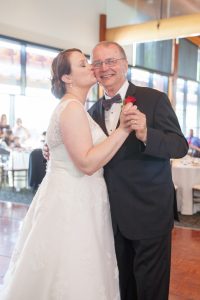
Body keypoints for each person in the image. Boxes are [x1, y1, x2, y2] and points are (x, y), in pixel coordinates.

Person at [43, 42, 188, 300]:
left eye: (111, 61)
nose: (104, 68)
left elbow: (179, 146)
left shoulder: (154, 99)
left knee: (151, 290)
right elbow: (81, 149)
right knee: (120, 288)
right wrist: (55, 148)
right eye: (97, 63)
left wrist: (146, 134)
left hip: (149, 214)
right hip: (108, 218)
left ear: (124, 64)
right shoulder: (89, 112)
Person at [0, 48, 134, 300]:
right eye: (83, 65)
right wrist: (124, 130)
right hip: (74, 201)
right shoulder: (72, 108)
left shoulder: (77, 108)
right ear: (67, 78)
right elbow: (86, 162)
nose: (91, 67)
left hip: (78, 196)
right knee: (73, 268)